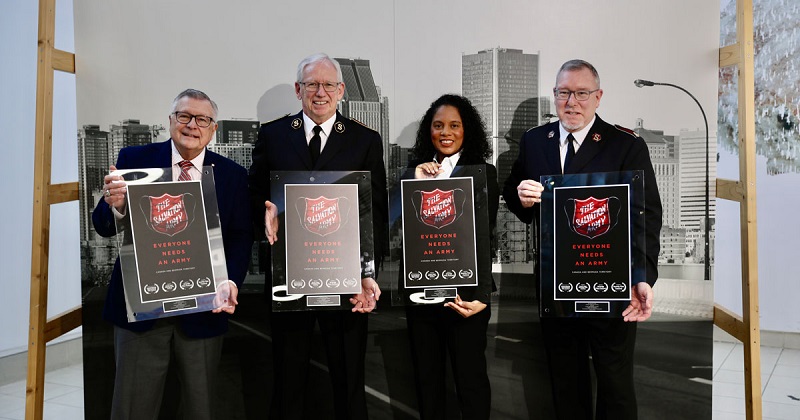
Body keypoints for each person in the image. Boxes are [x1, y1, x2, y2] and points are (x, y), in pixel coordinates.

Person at [502, 59, 663, 420]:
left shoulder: (625, 145)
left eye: (581, 93)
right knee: (565, 386)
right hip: (557, 285)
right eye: (563, 93)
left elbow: (647, 216)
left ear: (598, 97)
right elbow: (514, 194)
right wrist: (521, 196)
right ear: (554, 96)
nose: (571, 102)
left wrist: (643, 276)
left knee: (616, 387)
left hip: (613, 287)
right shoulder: (534, 142)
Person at [92, 88, 254, 420]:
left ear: (213, 128)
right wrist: (118, 207)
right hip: (142, 308)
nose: (192, 124)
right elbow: (103, 224)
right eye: (184, 116)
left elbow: (240, 237)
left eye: (203, 119)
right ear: (170, 121)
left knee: (200, 409)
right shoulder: (134, 161)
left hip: (205, 309)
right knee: (132, 409)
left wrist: (232, 282)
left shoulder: (232, 175)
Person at [248, 52, 388, 420]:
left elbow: (374, 212)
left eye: (328, 85)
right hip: (290, 278)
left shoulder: (365, 139)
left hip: (347, 281)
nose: (320, 92)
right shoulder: (274, 136)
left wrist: (369, 273)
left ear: (341, 90)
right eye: (312, 84)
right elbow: (254, 196)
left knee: (348, 382)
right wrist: (263, 214)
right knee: (288, 380)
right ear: (298, 90)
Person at [406, 94, 498, 419]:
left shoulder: (484, 173)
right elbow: (395, 229)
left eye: (454, 125)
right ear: (428, 131)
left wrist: (483, 295)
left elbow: (486, 237)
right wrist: (415, 182)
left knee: (471, 384)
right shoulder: (411, 174)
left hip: (466, 299)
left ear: (466, 130)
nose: (446, 132)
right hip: (423, 297)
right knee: (428, 385)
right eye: (438, 125)